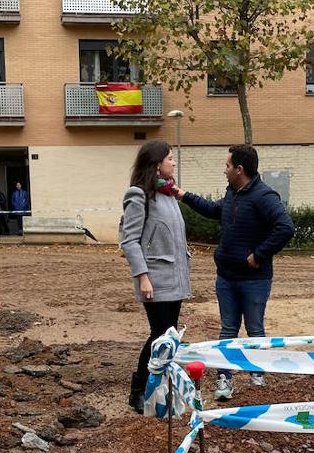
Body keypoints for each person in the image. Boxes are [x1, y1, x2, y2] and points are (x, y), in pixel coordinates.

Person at [173, 145, 295, 400]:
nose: (224, 170)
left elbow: (285, 227)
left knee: (254, 329)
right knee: (228, 329)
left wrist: (259, 255)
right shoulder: (233, 193)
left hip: (254, 281)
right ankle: (224, 381)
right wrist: (183, 195)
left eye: (227, 165)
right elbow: (213, 210)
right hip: (226, 278)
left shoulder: (264, 196)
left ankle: (256, 378)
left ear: (240, 169)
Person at [119, 141, 190, 413]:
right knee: (159, 336)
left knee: (169, 336)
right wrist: (143, 277)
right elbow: (130, 241)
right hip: (155, 280)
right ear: (156, 163)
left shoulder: (169, 194)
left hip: (175, 278)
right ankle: (137, 390)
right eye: (170, 158)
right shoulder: (139, 195)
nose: (174, 162)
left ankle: (161, 387)